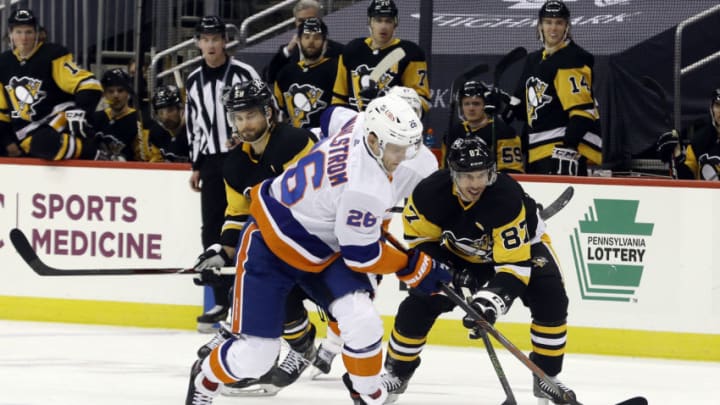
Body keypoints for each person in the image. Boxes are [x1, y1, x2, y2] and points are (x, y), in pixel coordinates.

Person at [184, 94, 451, 405]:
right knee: (258, 355)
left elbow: (330, 115)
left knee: (362, 321)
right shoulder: (366, 186)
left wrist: (326, 169)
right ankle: (205, 378)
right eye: (396, 148)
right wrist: (415, 267)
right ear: (375, 140)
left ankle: (368, 394)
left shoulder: (359, 122)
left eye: (408, 145)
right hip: (272, 242)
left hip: (325, 245)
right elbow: (363, 256)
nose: (403, 155)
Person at [382, 137, 571, 404]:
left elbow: (514, 266)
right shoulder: (428, 195)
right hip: (460, 255)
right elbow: (420, 242)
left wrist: (489, 303)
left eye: (482, 175)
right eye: (468, 176)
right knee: (421, 302)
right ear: (453, 174)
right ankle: (396, 373)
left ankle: (547, 377)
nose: (476, 184)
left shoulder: (505, 199)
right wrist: (447, 271)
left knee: (550, 295)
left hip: (523, 248)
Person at [191, 79, 319, 396]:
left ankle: (240, 328)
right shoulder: (234, 164)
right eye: (237, 117)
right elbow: (237, 214)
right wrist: (219, 253)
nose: (244, 124)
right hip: (280, 250)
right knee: (268, 284)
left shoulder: (294, 141)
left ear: (268, 113)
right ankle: (296, 348)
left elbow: (305, 203)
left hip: (320, 242)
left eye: (250, 115)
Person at [185, 15, 262, 330]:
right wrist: (196, 164)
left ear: (224, 41)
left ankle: (248, 296)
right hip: (213, 162)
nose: (212, 44)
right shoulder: (192, 80)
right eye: (206, 39)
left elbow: (266, 109)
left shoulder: (244, 73)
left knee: (247, 225)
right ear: (198, 43)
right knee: (211, 230)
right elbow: (194, 125)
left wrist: (252, 142)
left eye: (217, 38)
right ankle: (220, 300)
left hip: (243, 158)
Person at [0, 8, 104, 161]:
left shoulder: (52, 54)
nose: (24, 38)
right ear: (10, 34)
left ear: (37, 33)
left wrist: (80, 111)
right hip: (25, 132)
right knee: (28, 144)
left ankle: (95, 153)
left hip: (57, 118)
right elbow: (1, 111)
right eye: (18, 32)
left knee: (43, 143)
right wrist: (7, 141)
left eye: (28, 32)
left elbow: (90, 85)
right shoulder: (3, 62)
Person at [511, 0, 601, 176]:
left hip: (559, 150)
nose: (553, 28)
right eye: (548, 22)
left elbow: (582, 112)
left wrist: (568, 146)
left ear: (567, 27)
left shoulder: (572, 59)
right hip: (537, 149)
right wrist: (505, 103)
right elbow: (526, 110)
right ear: (540, 26)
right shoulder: (535, 60)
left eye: (559, 23)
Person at [332, 0, 430, 113]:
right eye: (378, 20)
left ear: (395, 23)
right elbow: (339, 97)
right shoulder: (352, 50)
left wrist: (388, 103)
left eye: (388, 21)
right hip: (355, 126)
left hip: (392, 126)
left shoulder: (410, 53)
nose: (383, 26)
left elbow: (422, 100)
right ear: (370, 22)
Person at [444, 80, 524, 173]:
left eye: (476, 103)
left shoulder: (503, 132)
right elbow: (445, 170)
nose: (471, 108)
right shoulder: (452, 133)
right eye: (466, 104)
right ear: (461, 107)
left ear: (485, 105)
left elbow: (512, 172)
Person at [274, 17, 338, 130]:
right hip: (295, 139)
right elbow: (279, 110)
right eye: (306, 37)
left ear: (325, 42)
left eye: (317, 37)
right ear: (298, 40)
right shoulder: (285, 73)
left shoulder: (336, 69)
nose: (311, 42)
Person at [263, 0, 343, 85]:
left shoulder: (339, 51)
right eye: (301, 21)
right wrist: (287, 51)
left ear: (320, 20)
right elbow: (269, 77)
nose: (305, 25)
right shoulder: (287, 52)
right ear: (295, 22)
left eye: (310, 20)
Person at [656, 89, 720, 180]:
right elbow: (686, 180)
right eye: (718, 105)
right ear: (711, 109)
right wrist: (677, 155)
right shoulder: (699, 142)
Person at [94, 68, 144, 161]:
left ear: (127, 93)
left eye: (120, 90)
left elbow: (142, 160)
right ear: (104, 94)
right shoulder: (96, 118)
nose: (116, 95)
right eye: (111, 91)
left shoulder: (138, 121)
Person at [146, 84, 189, 162]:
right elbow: (155, 164)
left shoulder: (193, 133)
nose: (166, 117)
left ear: (181, 109)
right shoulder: (156, 133)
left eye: (170, 110)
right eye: (161, 112)